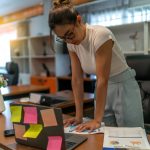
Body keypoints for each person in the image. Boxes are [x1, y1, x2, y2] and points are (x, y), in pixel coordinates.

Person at [49, 0, 144, 131]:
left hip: (123, 87)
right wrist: (78, 116)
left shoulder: (100, 35)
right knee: (105, 138)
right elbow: (76, 80)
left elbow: (102, 79)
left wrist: (97, 120)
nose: (68, 40)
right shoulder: (71, 44)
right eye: (62, 38)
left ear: (78, 20)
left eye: (69, 34)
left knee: (132, 138)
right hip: (102, 90)